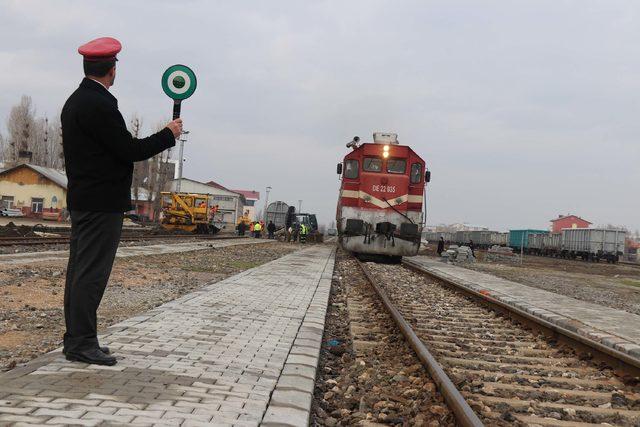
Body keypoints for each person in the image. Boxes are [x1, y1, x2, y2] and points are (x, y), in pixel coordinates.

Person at [61, 37, 182, 366]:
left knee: (79, 272)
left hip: (85, 200)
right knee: (91, 274)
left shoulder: (76, 101)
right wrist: (167, 135)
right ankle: (82, 343)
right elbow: (129, 150)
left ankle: (78, 340)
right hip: (101, 204)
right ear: (111, 69)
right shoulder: (100, 104)